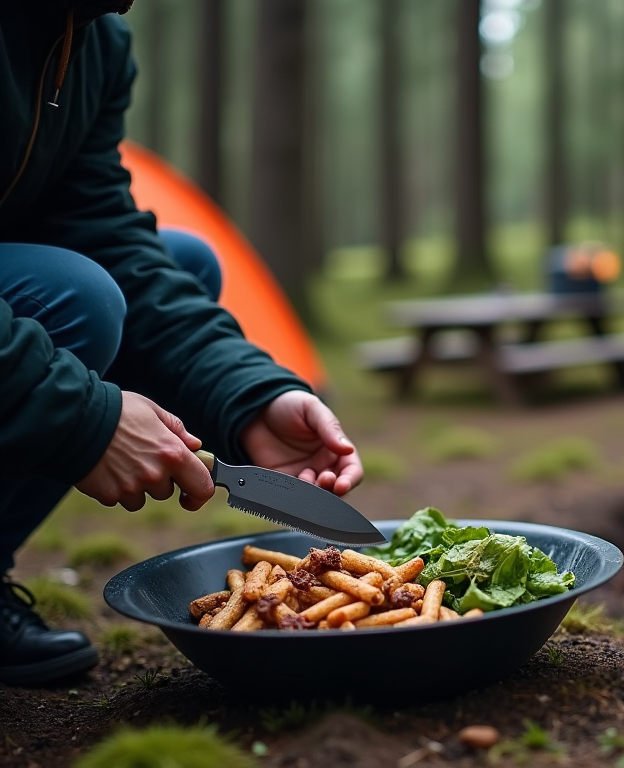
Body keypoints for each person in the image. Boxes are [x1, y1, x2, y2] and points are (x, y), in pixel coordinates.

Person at [0, 1, 364, 685]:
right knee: (80, 298)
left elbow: (103, 229)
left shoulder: (92, 37)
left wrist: (248, 395)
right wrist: (84, 418)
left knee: (183, 262)